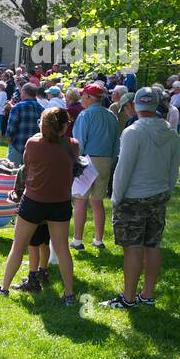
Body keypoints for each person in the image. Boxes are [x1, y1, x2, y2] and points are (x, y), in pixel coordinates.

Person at [101, 86, 180, 307]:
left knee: (132, 248)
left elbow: (123, 168)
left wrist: (116, 197)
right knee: (153, 245)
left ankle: (128, 298)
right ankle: (147, 294)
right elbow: (174, 168)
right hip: (158, 194)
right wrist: (167, 191)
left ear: (136, 105)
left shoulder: (133, 132)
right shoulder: (170, 133)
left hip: (133, 197)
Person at [0, 108, 79, 304]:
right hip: (61, 202)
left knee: (18, 246)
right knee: (62, 248)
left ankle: (4, 288)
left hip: (34, 201)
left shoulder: (33, 143)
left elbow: (27, 164)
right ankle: (69, 295)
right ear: (65, 125)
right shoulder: (73, 145)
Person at [71, 84, 119, 250]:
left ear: (90, 97)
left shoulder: (85, 115)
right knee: (98, 201)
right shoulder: (111, 115)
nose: (81, 99)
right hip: (106, 161)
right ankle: (98, 239)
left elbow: (79, 143)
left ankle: (77, 240)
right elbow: (116, 143)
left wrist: (75, 161)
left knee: (80, 201)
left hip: (87, 160)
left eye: (83, 95)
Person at [5, 83, 43, 163]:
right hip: (35, 148)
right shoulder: (41, 108)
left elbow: (11, 128)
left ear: (24, 93)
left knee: (14, 172)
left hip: (18, 145)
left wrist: (10, 143)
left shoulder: (18, 107)